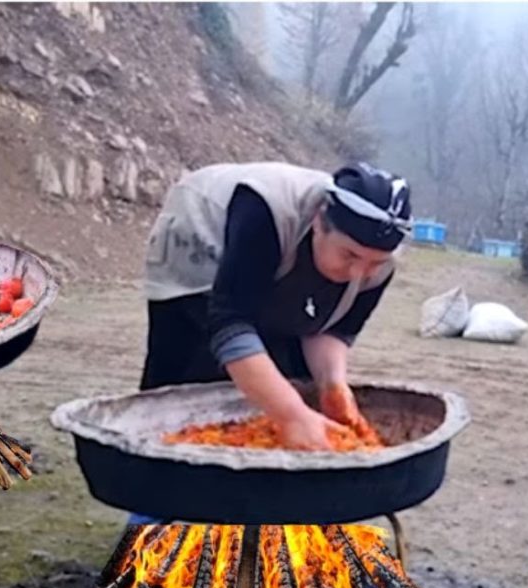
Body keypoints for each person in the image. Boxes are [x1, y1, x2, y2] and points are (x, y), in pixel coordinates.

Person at [130, 161, 411, 524]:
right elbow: (229, 322)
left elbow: (332, 330)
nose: (360, 273)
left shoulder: (380, 260)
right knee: (186, 384)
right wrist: (290, 414)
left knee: (293, 384)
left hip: (280, 258)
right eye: (350, 255)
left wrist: (332, 385)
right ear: (319, 221)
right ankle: (152, 516)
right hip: (199, 244)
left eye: (374, 263)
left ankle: (263, 515)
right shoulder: (265, 209)